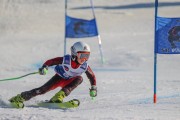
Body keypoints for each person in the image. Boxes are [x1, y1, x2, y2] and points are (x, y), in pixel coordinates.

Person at [9, 41, 97, 108]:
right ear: (75, 53)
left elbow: (92, 76)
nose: (84, 59)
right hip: (59, 78)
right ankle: (19, 98)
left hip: (69, 82)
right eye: (82, 56)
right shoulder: (66, 60)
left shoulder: (85, 66)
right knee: (42, 90)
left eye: (87, 56)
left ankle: (58, 97)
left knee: (79, 78)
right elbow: (52, 61)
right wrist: (45, 67)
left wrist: (93, 88)